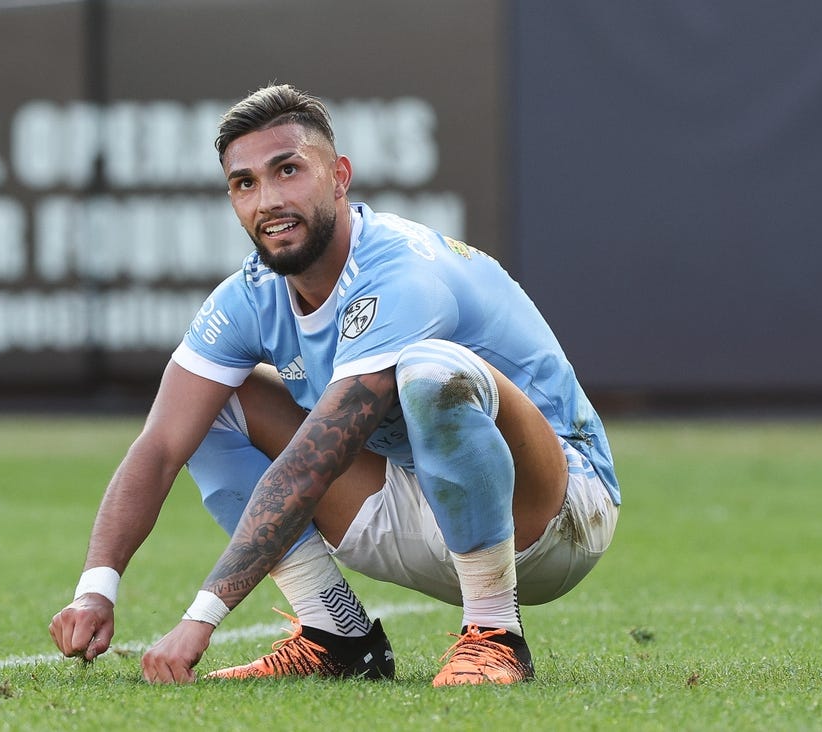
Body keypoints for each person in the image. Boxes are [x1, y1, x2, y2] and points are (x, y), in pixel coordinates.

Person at [49, 83, 620, 687]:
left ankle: (494, 632)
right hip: (417, 498)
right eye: (245, 184)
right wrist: (95, 588)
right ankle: (336, 634)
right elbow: (161, 446)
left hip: (552, 516)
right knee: (214, 406)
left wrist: (203, 616)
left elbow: (312, 464)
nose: (268, 200)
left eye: (287, 170)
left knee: (430, 370)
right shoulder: (249, 295)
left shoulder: (401, 269)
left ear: (339, 176)